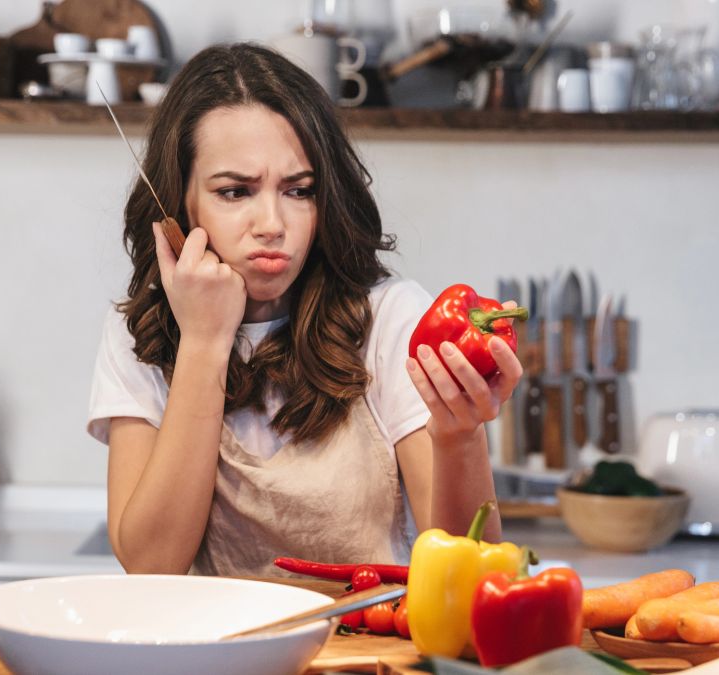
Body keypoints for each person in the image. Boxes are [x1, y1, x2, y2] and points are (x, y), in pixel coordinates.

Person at [87, 43, 523, 576]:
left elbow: (472, 573)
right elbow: (151, 566)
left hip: (365, 652)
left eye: (299, 190)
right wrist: (204, 342)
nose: (272, 223)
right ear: (179, 202)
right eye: (235, 192)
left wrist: (461, 436)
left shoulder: (390, 318)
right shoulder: (137, 332)